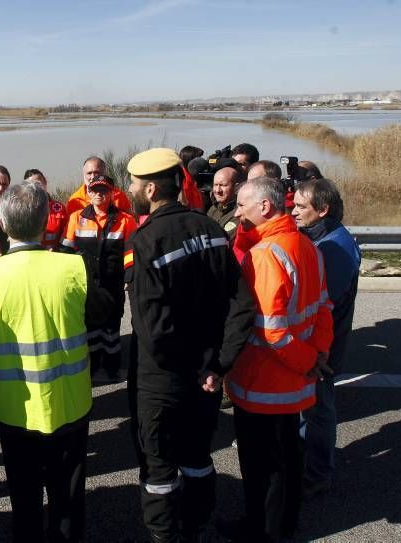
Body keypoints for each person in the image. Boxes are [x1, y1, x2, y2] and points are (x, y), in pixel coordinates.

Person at [0, 182, 112, 543]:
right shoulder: (73, 267)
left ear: (1, 221)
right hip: (70, 404)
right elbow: (103, 312)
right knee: (67, 497)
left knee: (24, 497)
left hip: (12, 409)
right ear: (47, 220)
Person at [125, 148, 255, 542]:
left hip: (163, 382)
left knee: (159, 467)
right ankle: (196, 526)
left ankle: (166, 535)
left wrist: (191, 368)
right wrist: (219, 365)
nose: (129, 188)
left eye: (132, 183)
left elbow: (153, 329)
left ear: (150, 189)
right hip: (207, 377)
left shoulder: (144, 241)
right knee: (198, 456)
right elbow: (242, 304)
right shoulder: (211, 229)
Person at [223, 177, 333, 542]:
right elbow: (323, 309)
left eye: (242, 205)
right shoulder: (306, 245)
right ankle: (286, 524)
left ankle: (263, 532)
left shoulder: (266, 255)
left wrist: (307, 361)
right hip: (294, 383)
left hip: (262, 385)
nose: (237, 212)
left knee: (262, 468)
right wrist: (317, 355)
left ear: (265, 208)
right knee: (288, 458)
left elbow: (273, 332)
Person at [292, 178, 361, 497]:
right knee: (311, 408)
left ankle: (318, 473)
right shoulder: (323, 237)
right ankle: (308, 461)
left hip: (322, 350)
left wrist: (310, 352)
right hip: (316, 347)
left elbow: (321, 305)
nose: (293, 211)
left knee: (318, 410)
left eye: (300, 206)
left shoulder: (336, 249)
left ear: (323, 210)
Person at [61, 174, 137, 381]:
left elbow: (131, 252)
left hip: (113, 284)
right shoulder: (76, 217)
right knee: (91, 328)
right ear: (88, 193)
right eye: (94, 190)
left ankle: (112, 366)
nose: (99, 194)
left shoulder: (126, 220)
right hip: (86, 285)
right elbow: (67, 249)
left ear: (112, 193)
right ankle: (93, 365)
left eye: (104, 190)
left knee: (111, 328)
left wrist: (128, 278)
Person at [66, 156, 132, 216]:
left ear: (105, 173)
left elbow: (129, 222)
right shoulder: (75, 200)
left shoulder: (120, 197)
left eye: (96, 172)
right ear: (83, 174)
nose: (93, 177)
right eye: (89, 173)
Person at [24, 168, 68, 250]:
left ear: (45, 182)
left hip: (56, 257)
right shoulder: (22, 210)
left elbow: (66, 236)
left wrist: (60, 250)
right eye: (31, 185)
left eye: (38, 183)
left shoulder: (59, 208)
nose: (35, 187)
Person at [207, 166, 245, 239]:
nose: (218, 190)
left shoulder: (240, 212)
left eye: (223, 185)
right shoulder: (213, 209)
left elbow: (225, 239)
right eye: (215, 185)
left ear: (236, 187)